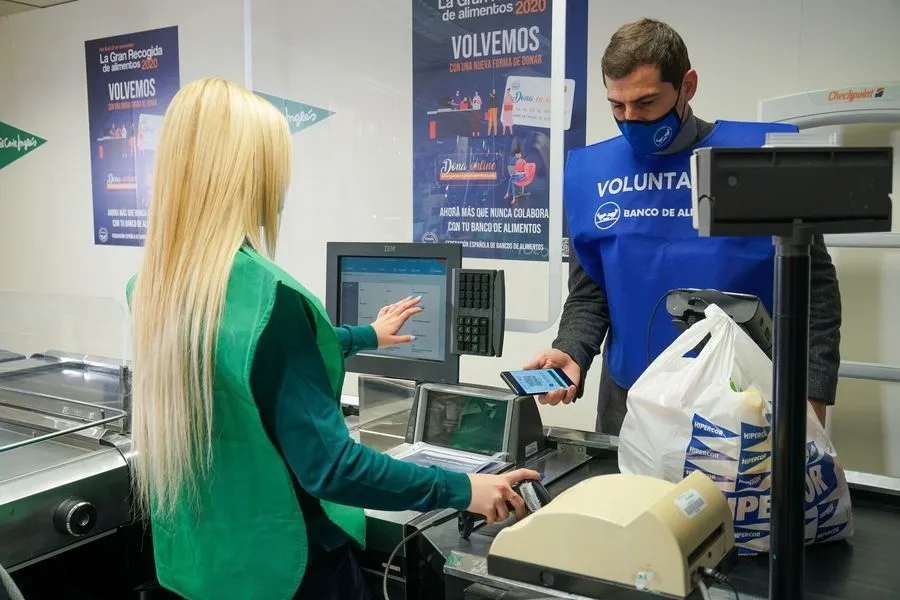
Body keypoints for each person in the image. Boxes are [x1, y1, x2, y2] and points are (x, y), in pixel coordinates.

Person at [127, 78, 539, 600]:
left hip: (202, 563)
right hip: (286, 568)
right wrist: (463, 488)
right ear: (247, 175)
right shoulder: (270, 297)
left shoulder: (154, 286)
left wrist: (364, 334)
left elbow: (244, 358)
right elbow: (332, 467)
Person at [525, 18, 841, 436]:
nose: (631, 119)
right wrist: (572, 350)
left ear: (687, 86)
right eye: (617, 106)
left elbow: (814, 290)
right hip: (629, 397)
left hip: (746, 398)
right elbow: (591, 291)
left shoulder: (758, 160)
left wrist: (811, 389)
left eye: (647, 103)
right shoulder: (593, 175)